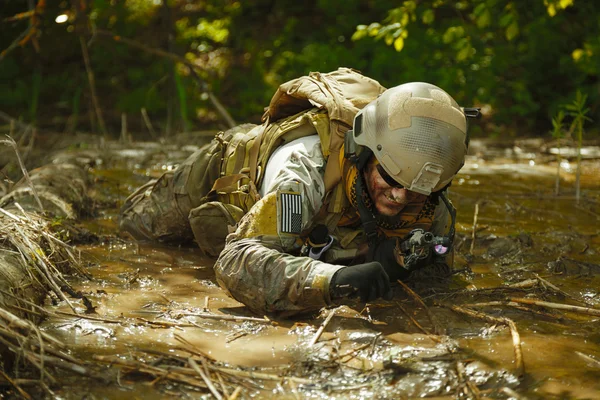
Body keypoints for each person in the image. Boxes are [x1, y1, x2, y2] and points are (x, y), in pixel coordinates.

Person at [120, 68, 475, 316]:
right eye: (390, 179)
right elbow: (236, 262)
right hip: (228, 166)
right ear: (366, 154)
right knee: (139, 226)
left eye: (415, 191)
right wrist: (330, 280)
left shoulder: (430, 202)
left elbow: (438, 280)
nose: (400, 197)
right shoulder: (302, 177)